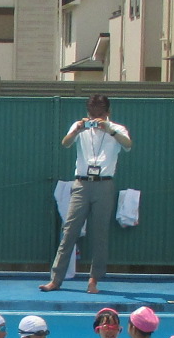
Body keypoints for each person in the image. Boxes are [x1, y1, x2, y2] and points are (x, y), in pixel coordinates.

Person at [42, 94, 130, 293]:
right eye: (92, 113)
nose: (95, 118)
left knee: (99, 234)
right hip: (81, 183)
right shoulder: (80, 126)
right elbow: (65, 143)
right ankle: (56, 279)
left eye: (99, 113)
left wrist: (110, 131)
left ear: (107, 113)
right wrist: (78, 130)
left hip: (104, 184)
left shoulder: (117, 129)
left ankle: (94, 279)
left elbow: (128, 144)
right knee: (69, 231)